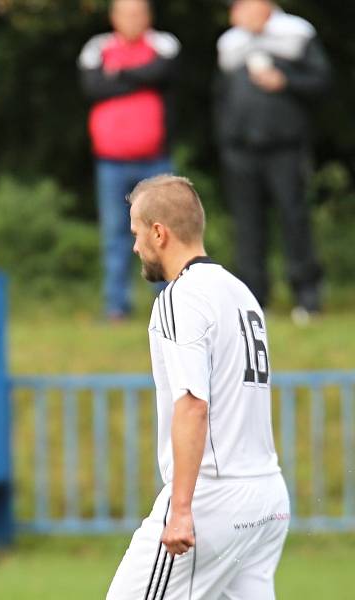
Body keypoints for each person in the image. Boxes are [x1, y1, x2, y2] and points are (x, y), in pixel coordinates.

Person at [106, 175, 289, 599]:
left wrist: (182, 510)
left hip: (214, 496)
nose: (134, 247)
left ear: (158, 232)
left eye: (136, 234)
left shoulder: (180, 297)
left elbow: (193, 403)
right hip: (267, 496)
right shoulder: (240, 293)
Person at [216, 0, 331, 323]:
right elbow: (221, 96)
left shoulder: (297, 33)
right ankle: (253, 299)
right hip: (240, 150)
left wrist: (286, 81)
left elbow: (322, 82)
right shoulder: (230, 42)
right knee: (247, 226)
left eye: (241, 6)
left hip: (285, 147)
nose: (234, 14)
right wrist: (227, 138)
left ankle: (307, 298)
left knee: (294, 219)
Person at [77, 0, 180, 320]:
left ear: (148, 17)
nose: (133, 20)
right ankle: (116, 307)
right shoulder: (97, 48)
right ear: (114, 18)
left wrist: (118, 74)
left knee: (163, 233)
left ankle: (169, 306)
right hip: (111, 160)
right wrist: (139, 77)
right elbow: (93, 87)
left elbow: (162, 72)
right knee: (115, 236)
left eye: (139, 14)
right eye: (127, 14)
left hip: (156, 159)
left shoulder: (163, 44)